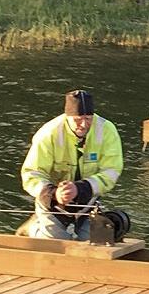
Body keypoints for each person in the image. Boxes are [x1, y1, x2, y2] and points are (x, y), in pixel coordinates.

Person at [20, 89, 123, 240]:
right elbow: (31, 174)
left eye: (88, 119)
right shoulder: (49, 133)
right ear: (67, 117)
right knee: (56, 245)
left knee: (94, 244)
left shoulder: (107, 130)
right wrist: (54, 193)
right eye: (77, 119)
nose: (83, 124)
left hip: (88, 199)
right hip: (52, 201)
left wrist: (81, 188)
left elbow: (112, 170)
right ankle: (34, 229)